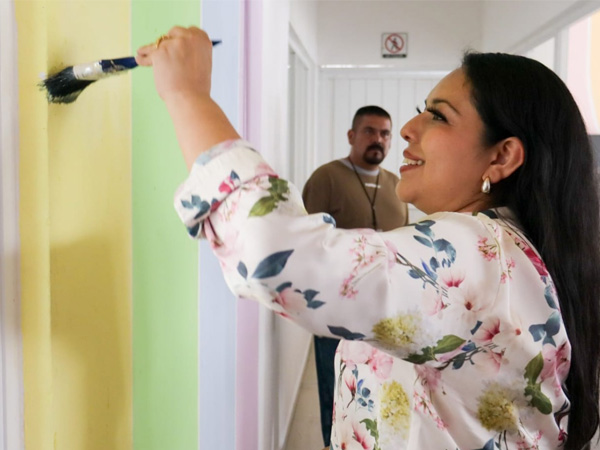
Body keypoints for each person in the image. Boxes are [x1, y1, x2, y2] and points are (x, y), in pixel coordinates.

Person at [137, 27, 600, 450]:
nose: (407, 130)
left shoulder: (481, 255)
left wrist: (187, 94)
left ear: (501, 156)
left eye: (438, 116)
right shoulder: (516, 253)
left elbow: (274, 253)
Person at [302, 105, 409, 447]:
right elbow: (308, 245)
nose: (378, 139)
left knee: (376, 395)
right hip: (335, 314)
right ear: (351, 135)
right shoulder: (326, 178)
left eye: (385, 133)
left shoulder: (397, 185)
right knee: (336, 394)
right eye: (369, 131)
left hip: (386, 315)